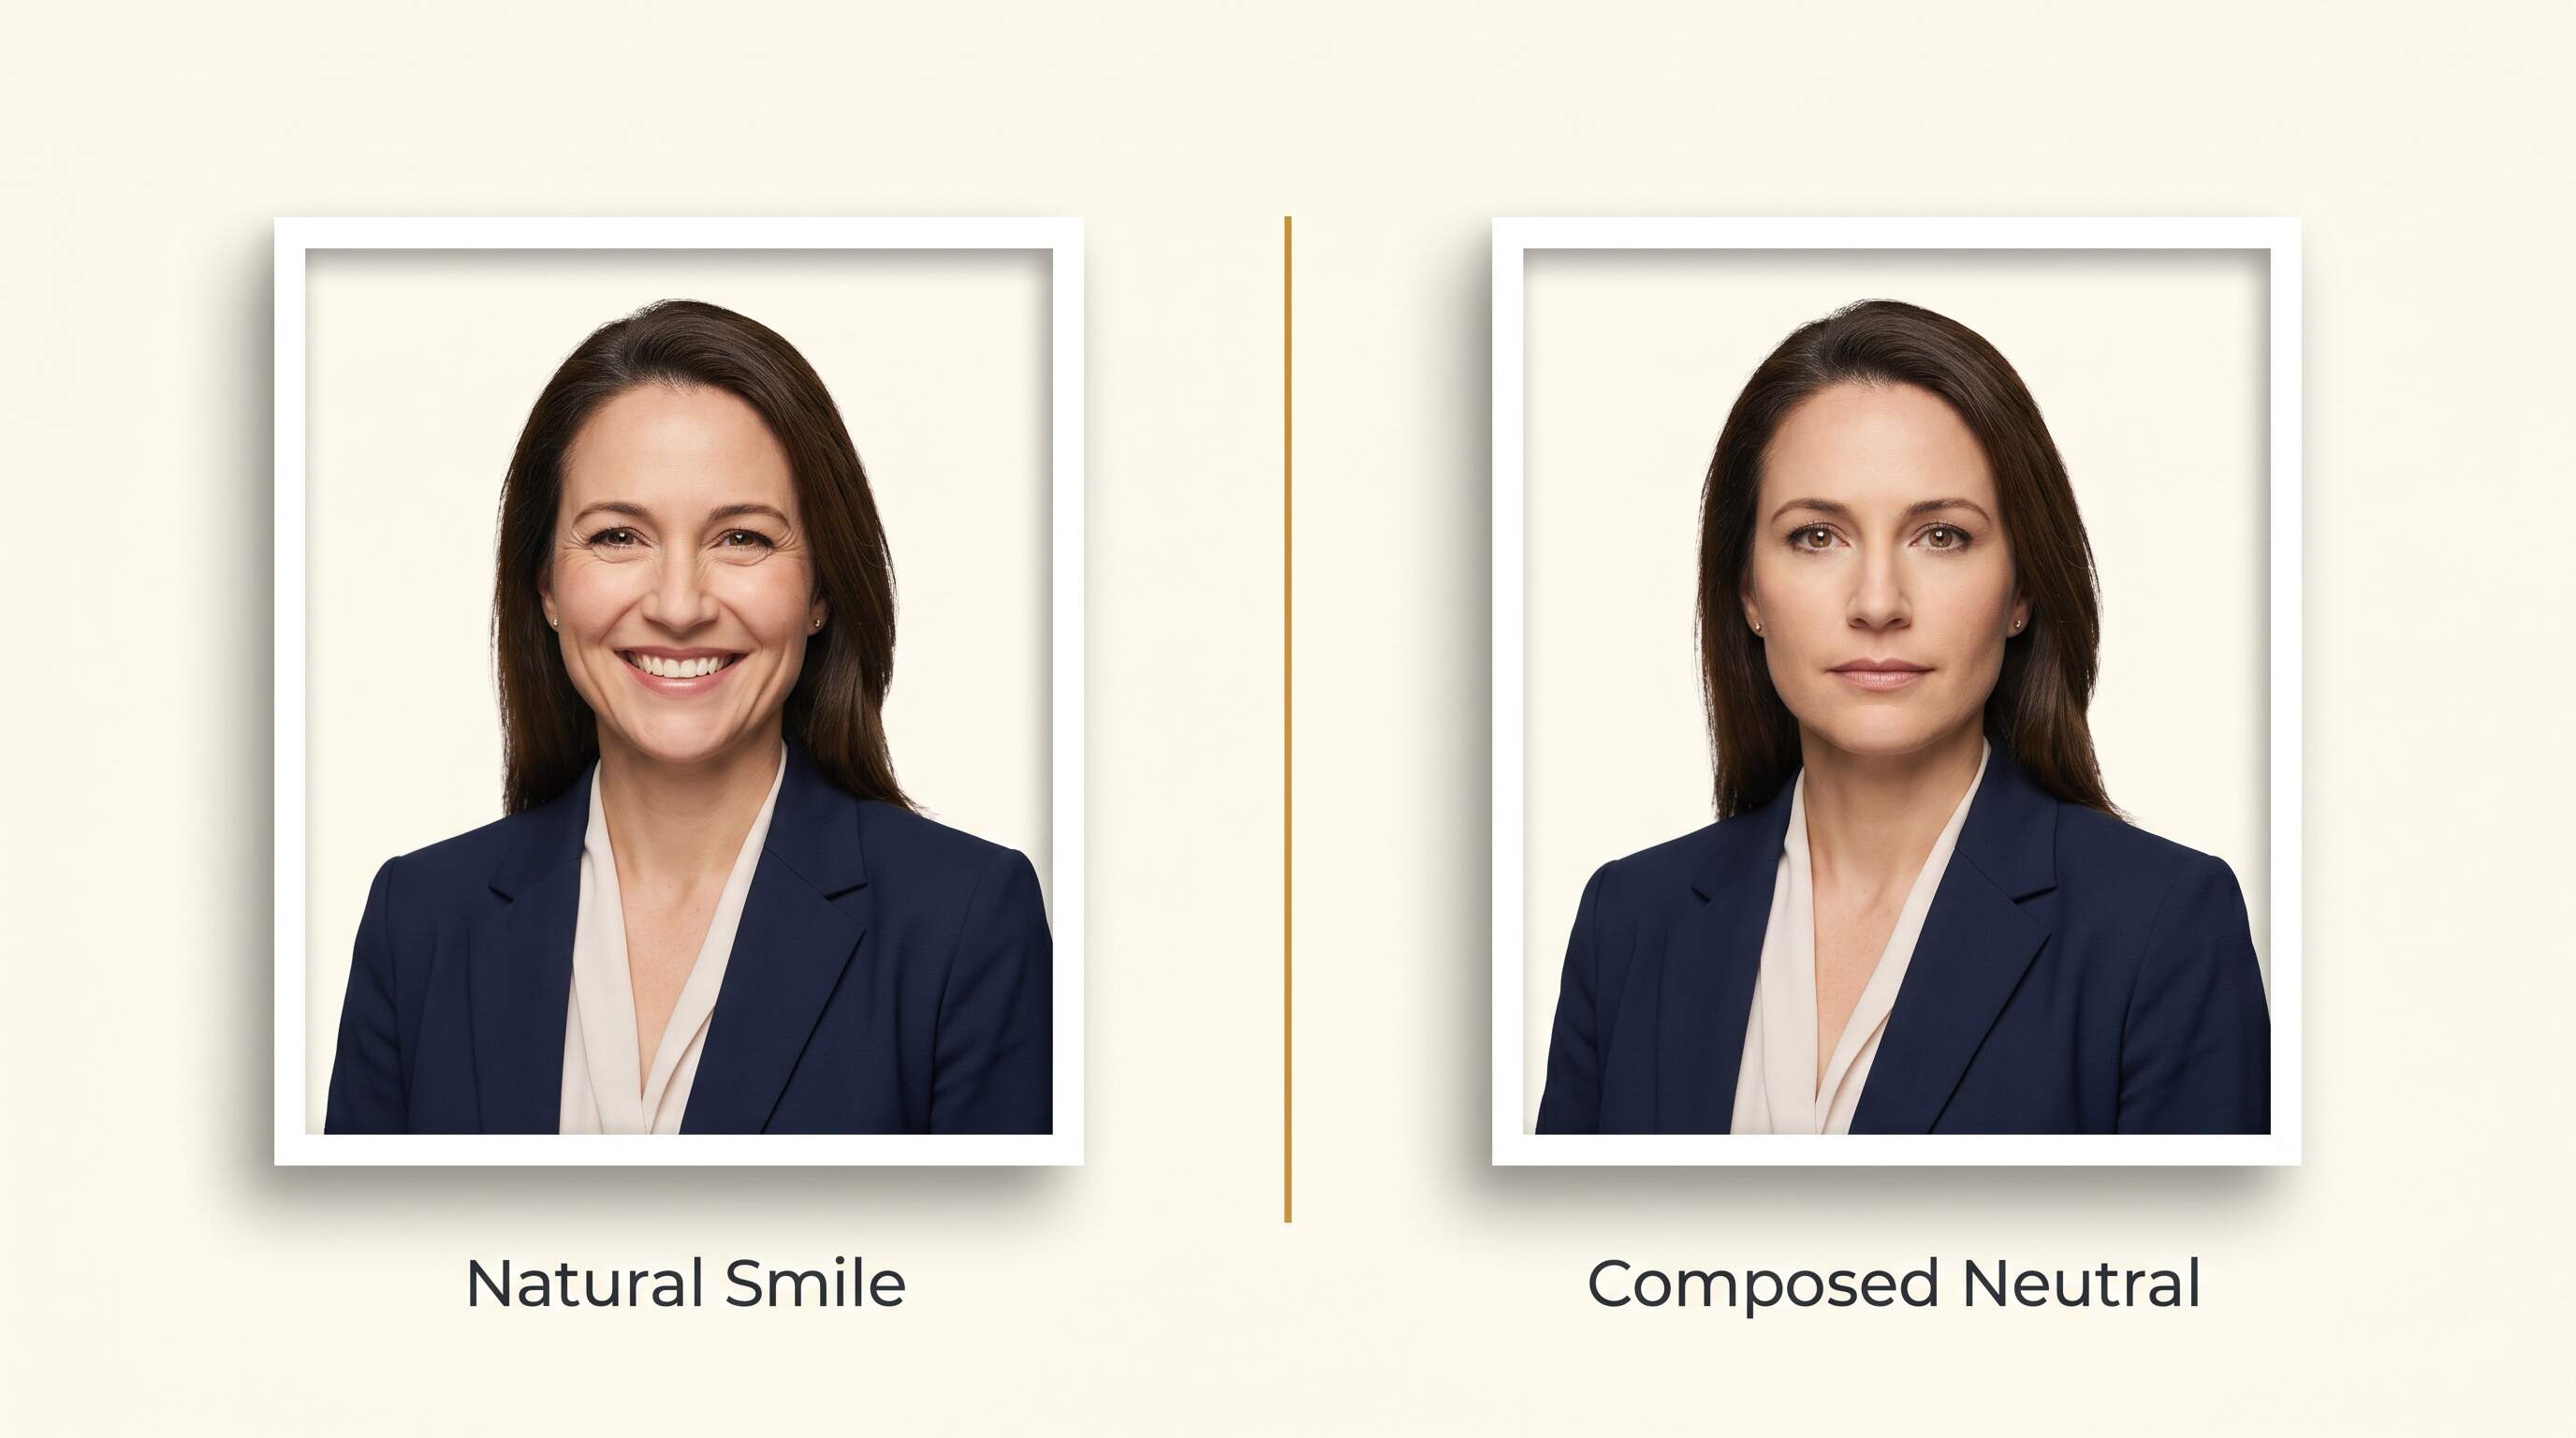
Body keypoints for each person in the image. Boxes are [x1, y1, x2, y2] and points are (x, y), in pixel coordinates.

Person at [1535, 300, 2267, 1136]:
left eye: (1942, 536)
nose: (1877, 603)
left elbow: (2193, 1269)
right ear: (1747, 591)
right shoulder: (1630, 922)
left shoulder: (2161, 928)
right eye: (1816, 536)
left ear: (2023, 588)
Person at [325, 300, 1051, 1135]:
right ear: (546, 588)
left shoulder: (963, 924)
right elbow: (362, 1267)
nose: (678, 606)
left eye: (741, 539)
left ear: (819, 590)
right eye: (617, 537)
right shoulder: (419, 921)